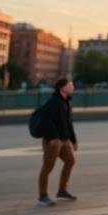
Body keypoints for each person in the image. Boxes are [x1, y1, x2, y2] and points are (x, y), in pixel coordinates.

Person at [37, 78, 78, 206]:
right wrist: (54, 138)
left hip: (65, 140)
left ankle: (62, 191)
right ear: (62, 87)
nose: (72, 86)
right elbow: (45, 119)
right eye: (69, 84)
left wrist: (74, 140)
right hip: (53, 141)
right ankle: (42, 196)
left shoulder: (67, 102)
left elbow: (69, 123)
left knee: (70, 161)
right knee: (47, 167)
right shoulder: (53, 101)